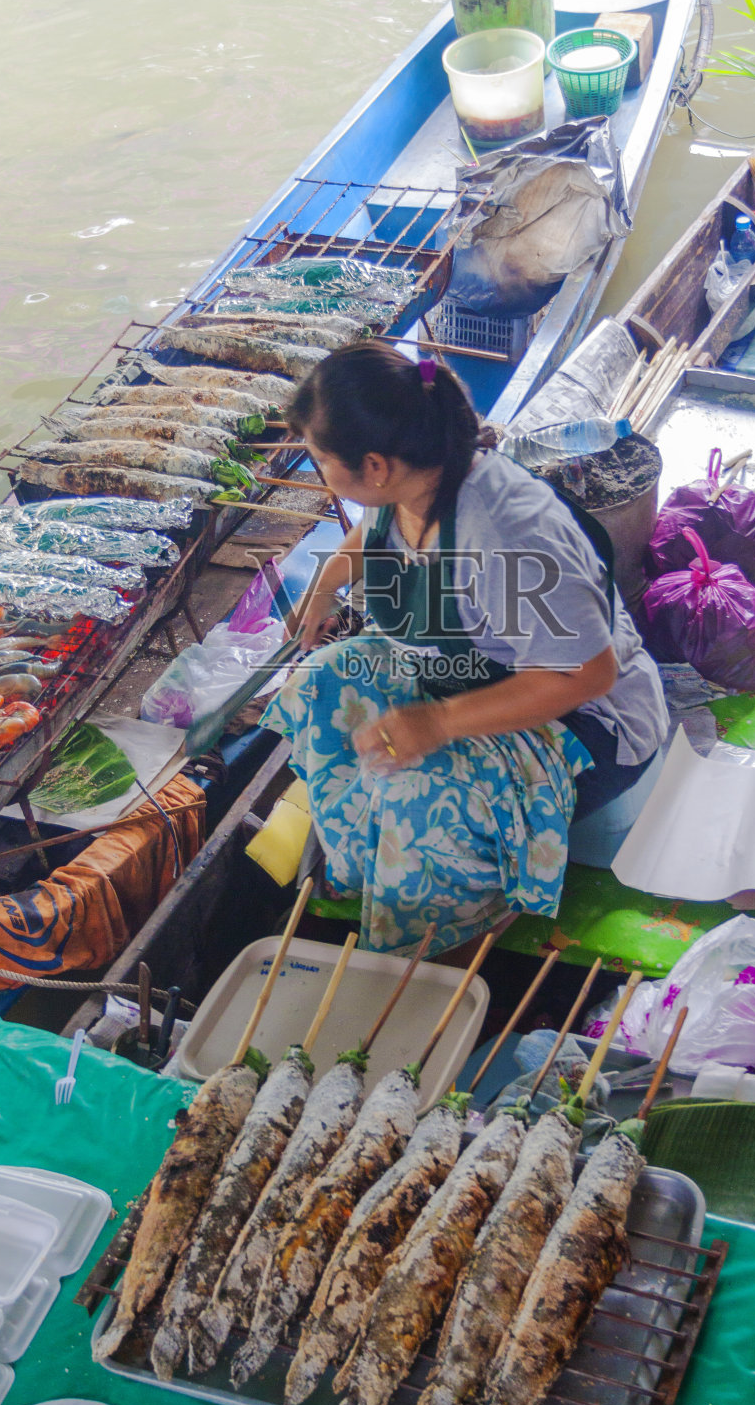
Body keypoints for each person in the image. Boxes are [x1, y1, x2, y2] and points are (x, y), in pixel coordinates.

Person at [259, 339, 668, 958]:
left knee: (413, 787)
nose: (321, 476)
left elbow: (587, 674)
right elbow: (371, 540)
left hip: (583, 722)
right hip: (469, 677)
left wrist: (440, 723)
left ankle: (445, 933)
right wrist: (322, 589)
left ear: (373, 466)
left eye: (321, 462)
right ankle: (381, 870)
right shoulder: (413, 481)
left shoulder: (505, 530)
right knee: (318, 685)